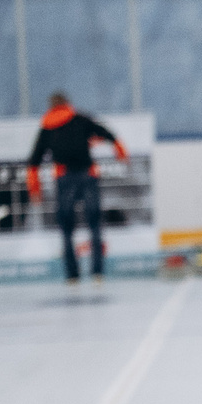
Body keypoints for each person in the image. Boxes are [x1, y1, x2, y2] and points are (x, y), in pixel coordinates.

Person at [25, 93, 125, 285]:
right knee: (95, 225)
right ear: (67, 104)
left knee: (66, 229)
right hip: (88, 176)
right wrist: (120, 149)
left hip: (64, 179)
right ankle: (98, 273)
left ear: (51, 106)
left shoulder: (47, 128)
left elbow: (33, 162)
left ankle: (72, 275)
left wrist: (34, 188)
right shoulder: (80, 119)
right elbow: (106, 133)